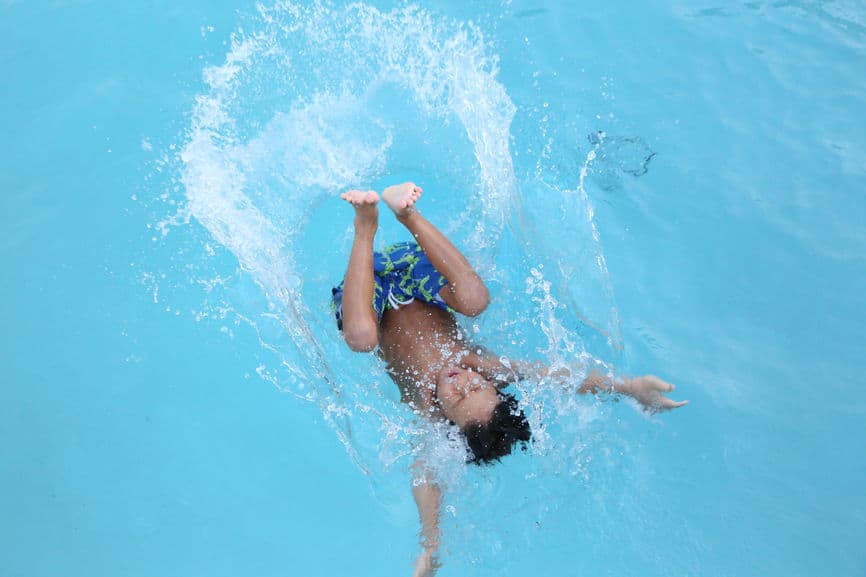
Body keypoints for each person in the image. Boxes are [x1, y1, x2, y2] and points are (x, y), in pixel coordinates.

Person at [331, 182, 688, 576]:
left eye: (459, 398)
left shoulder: (426, 408)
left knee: (362, 339)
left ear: (449, 422)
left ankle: (366, 224)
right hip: (419, 276)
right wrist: (628, 387)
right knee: (476, 301)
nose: (462, 380)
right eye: (477, 387)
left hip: (368, 293)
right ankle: (406, 214)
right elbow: (554, 376)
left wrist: (430, 547)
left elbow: (427, 476)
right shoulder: (481, 365)